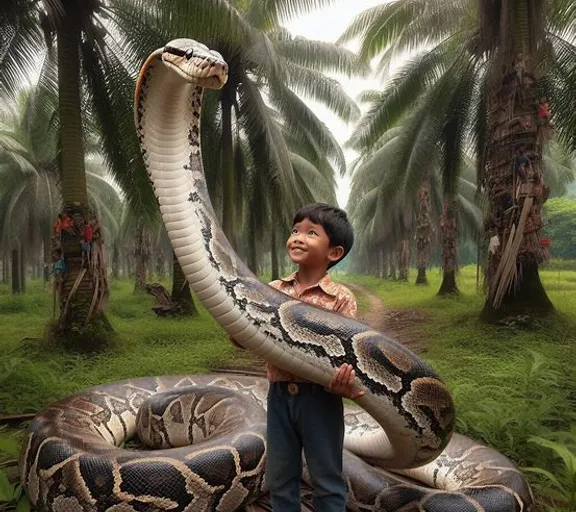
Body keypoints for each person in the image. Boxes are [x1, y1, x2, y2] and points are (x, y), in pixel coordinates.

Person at [232, 203, 364, 511]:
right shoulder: (273, 289)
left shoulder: (342, 299)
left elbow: (350, 355)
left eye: (311, 233)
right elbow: (244, 337)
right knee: (280, 477)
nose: (298, 237)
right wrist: (236, 323)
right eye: (295, 230)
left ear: (334, 252)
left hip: (321, 400)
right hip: (279, 397)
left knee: (327, 479)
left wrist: (344, 384)